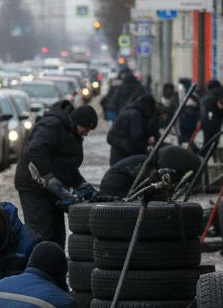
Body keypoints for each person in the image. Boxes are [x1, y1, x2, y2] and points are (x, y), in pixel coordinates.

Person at [13, 99, 98, 247]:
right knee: (40, 233)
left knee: (57, 235)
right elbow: (35, 150)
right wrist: (49, 177)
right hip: (34, 186)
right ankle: (35, 266)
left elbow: (65, 165)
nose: (87, 133)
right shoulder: (52, 126)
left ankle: (54, 266)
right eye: (86, 128)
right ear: (78, 121)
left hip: (54, 190)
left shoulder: (72, 132)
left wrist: (80, 183)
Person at [98, 145, 201, 199]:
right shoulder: (144, 166)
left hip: (112, 182)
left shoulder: (149, 162)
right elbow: (143, 189)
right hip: (113, 188)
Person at [106, 94, 159, 164]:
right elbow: (136, 139)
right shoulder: (135, 116)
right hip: (124, 158)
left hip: (118, 156)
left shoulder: (130, 111)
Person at [198, 80, 223, 152]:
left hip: (207, 124)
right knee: (213, 144)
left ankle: (202, 159)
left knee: (206, 144)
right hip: (217, 123)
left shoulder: (209, 97)